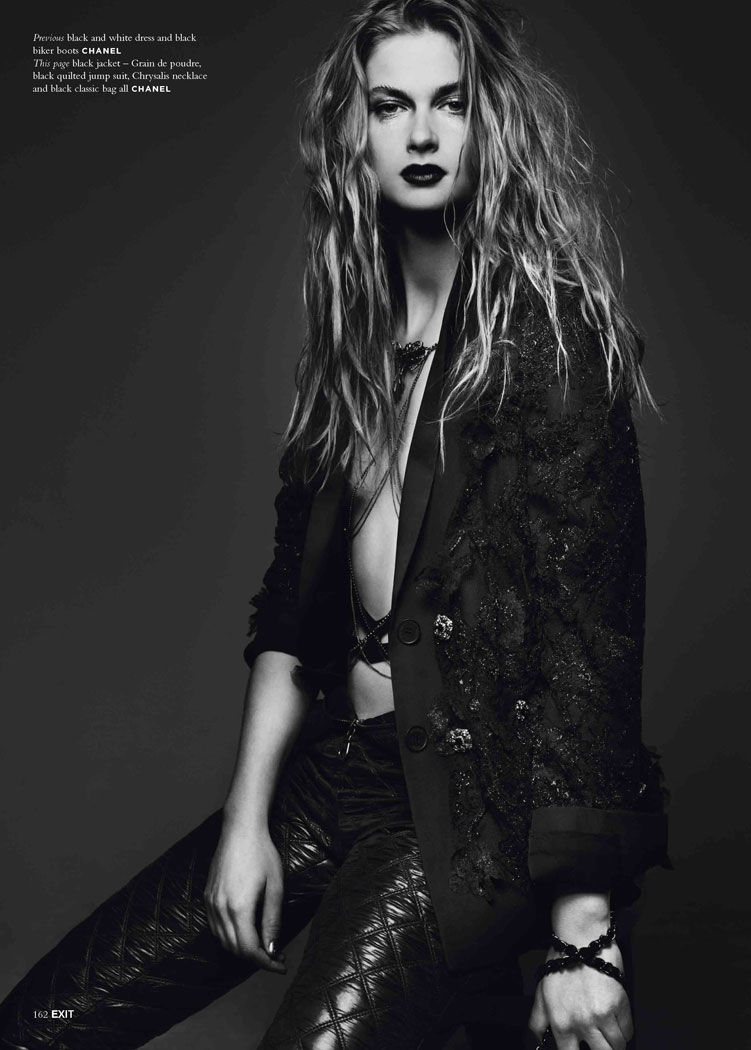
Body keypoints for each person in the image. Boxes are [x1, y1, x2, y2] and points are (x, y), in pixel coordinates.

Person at [0, 1, 670, 1048]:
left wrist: (583, 939)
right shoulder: (352, 339)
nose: (421, 134)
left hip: (463, 812)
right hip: (332, 775)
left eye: (450, 103)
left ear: (490, 119)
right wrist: (244, 824)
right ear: (352, 130)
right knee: (40, 1024)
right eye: (390, 105)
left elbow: (589, 642)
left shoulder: (550, 334)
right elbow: (291, 611)